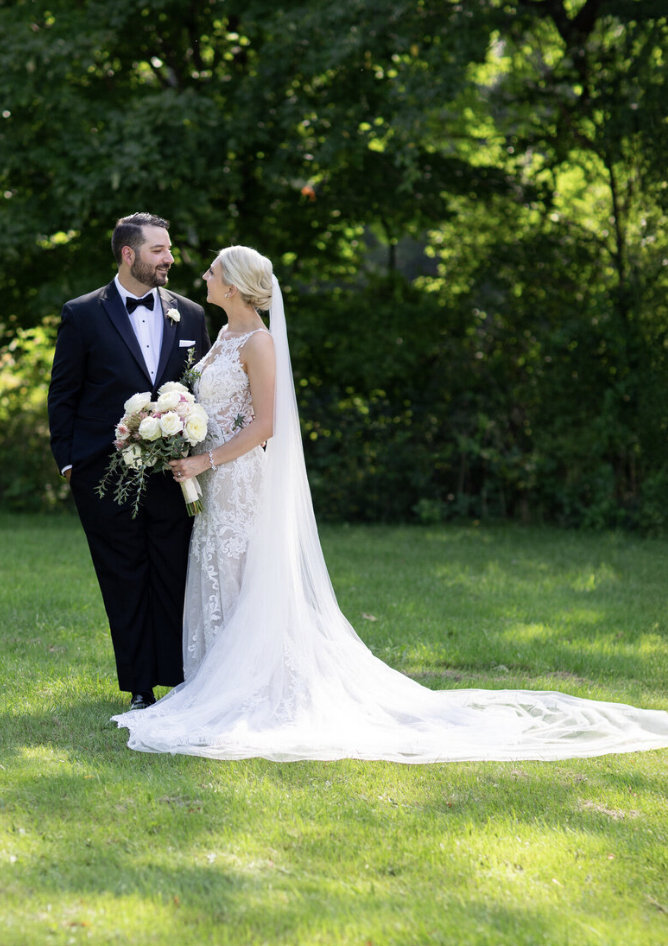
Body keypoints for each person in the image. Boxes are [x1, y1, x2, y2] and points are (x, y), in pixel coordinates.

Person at [112, 246, 668, 762]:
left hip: (241, 482)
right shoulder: (222, 337)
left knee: (246, 579)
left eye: (213, 271)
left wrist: (205, 460)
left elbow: (265, 425)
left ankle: (255, 689)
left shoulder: (259, 343)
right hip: (214, 483)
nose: (204, 275)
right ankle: (217, 682)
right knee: (219, 574)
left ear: (232, 285)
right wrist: (178, 428)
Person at [48, 212, 210, 710]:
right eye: (159, 250)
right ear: (128, 254)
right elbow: (63, 393)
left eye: (168, 249)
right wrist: (69, 464)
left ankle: (180, 680)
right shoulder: (82, 314)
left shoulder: (191, 315)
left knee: (174, 572)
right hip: (103, 472)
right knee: (123, 577)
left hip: (174, 472)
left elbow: (203, 390)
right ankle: (140, 687)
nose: (169, 258)